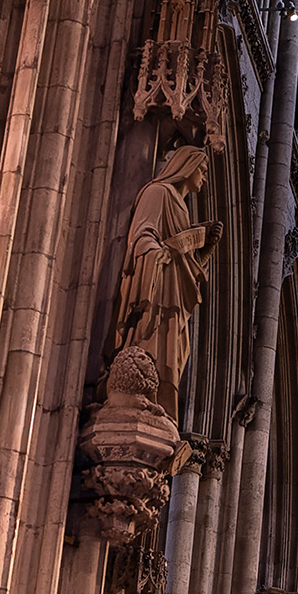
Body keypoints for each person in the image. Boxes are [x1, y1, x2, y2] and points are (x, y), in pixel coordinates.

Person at [110, 146, 222, 420]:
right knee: (153, 341)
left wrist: (205, 247)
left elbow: (187, 268)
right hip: (158, 289)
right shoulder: (158, 192)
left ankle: (163, 412)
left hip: (175, 295)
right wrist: (164, 251)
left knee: (174, 352)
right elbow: (143, 237)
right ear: (186, 166)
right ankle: (141, 397)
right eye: (201, 170)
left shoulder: (181, 207)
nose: (204, 177)